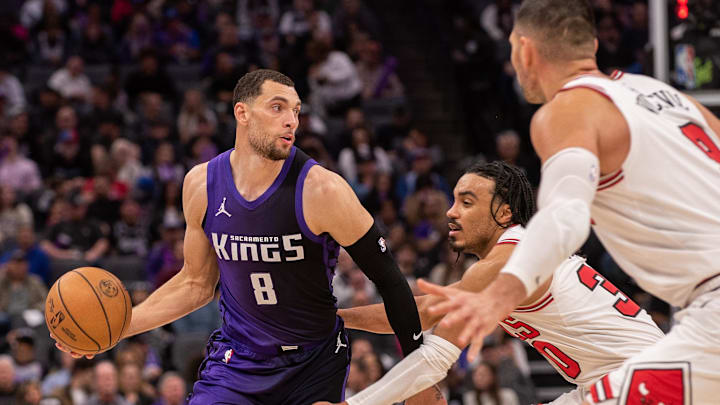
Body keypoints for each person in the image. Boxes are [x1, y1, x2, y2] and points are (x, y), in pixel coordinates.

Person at [52, 69, 423, 404]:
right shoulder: (201, 184)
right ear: (242, 113)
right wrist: (114, 329)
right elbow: (196, 284)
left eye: (296, 111)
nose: (291, 121)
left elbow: (390, 281)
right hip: (237, 359)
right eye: (277, 108)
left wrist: (418, 378)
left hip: (313, 362)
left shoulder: (323, 190)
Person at [418, 1, 720, 404]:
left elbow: (565, 216)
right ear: (592, 43)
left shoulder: (566, 110)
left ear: (524, 50)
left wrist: (501, 294)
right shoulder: (660, 92)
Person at [315, 161, 664, 405]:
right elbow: (420, 318)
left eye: (467, 202)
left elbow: (429, 336)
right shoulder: (505, 260)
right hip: (611, 381)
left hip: (646, 378)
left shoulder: (508, 259)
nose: (451, 212)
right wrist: (339, 319)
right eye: (453, 200)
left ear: (505, 212)